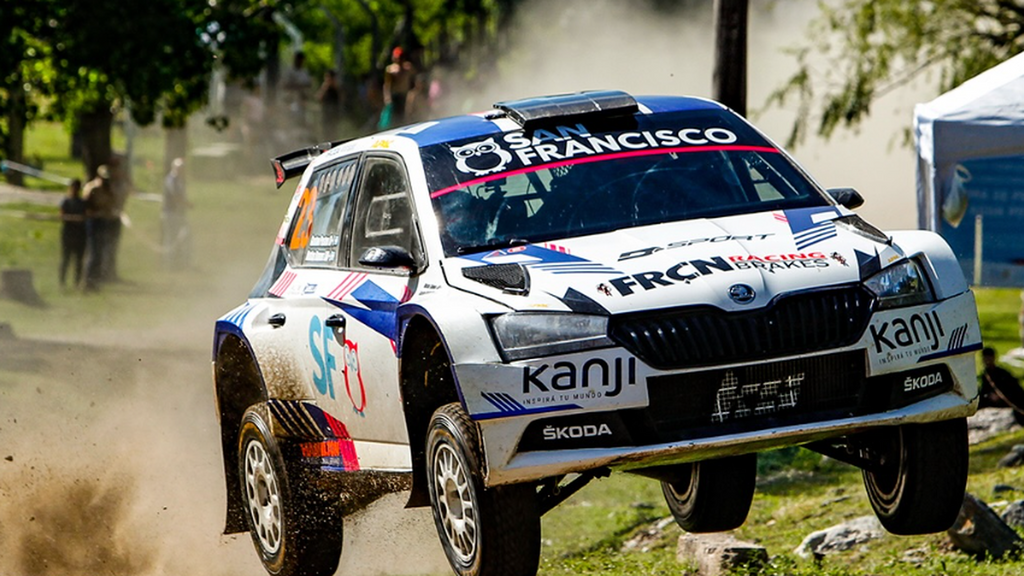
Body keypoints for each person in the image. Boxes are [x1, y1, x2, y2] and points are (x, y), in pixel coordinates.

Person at [82, 165, 115, 291]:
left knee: (100, 253)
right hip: (93, 221)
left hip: (103, 220)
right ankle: (88, 281)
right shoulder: (92, 188)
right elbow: (87, 204)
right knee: (93, 253)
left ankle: (96, 281)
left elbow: (111, 203)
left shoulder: (108, 189)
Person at [979, 346, 1024, 425]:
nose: (987, 361)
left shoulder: (1002, 373)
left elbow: (1014, 388)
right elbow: (984, 391)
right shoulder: (985, 375)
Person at [162, 158, 192, 269]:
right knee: (171, 238)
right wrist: (187, 204)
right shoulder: (171, 179)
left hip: (178, 213)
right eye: (179, 168)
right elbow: (175, 197)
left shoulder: (179, 180)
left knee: (182, 237)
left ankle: (180, 261)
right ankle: (169, 263)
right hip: (170, 213)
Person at [58, 178, 87, 288]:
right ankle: (62, 282)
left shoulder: (82, 202)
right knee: (66, 259)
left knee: (79, 260)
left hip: (80, 234)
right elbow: (62, 214)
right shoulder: (66, 201)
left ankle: (77, 282)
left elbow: (86, 215)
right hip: (68, 233)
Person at [382, 47, 416, 127]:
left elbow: (414, 80)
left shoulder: (408, 68)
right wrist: (387, 97)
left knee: (406, 115)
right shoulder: (390, 70)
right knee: (395, 117)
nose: (399, 60)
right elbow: (387, 85)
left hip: (405, 95)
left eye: (401, 57)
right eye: (398, 58)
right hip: (395, 96)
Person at [282, 51, 313, 123]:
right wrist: (298, 85)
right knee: (291, 120)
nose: (300, 61)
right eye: (298, 59)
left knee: (302, 120)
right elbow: (284, 85)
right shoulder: (289, 71)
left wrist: (303, 86)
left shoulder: (304, 71)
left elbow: (309, 84)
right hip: (291, 99)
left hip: (302, 100)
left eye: (301, 59)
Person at [317, 69, 343, 141]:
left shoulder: (336, 87)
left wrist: (335, 87)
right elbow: (319, 98)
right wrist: (325, 87)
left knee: (334, 132)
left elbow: (341, 98)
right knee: (325, 132)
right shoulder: (325, 87)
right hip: (326, 113)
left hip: (334, 113)